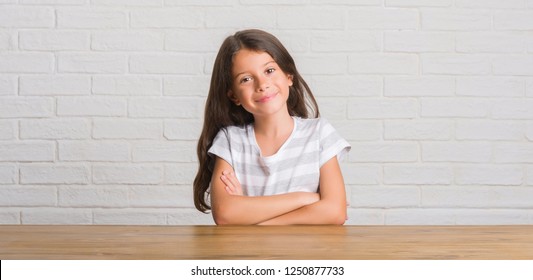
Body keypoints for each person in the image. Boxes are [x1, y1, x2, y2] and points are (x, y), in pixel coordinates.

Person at [193, 29, 351, 225]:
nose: (262, 84)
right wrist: (304, 198)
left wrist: (254, 220)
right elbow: (226, 214)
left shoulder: (319, 133)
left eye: (269, 71)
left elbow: (335, 211)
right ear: (234, 95)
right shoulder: (230, 140)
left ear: (288, 76)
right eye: (246, 79)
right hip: (251, 255)